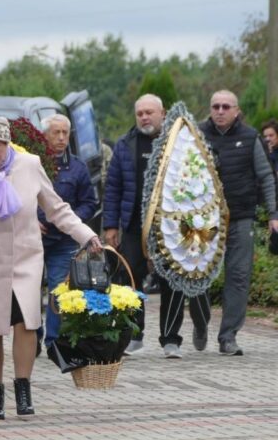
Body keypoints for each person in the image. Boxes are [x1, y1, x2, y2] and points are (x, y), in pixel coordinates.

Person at [0, 116, 101, 420]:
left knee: (27, 323)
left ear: (7, 142)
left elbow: (57, 208)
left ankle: (23, 388)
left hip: (25, 257)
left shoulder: (28, 164)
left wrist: (86, 235)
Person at [104, 94, 209, 358]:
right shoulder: (125, 144)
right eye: (139, 113)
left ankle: (171, 339)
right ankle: (134, 335)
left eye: (149, 112)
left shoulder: (179, 143)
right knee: (130, 279)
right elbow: (113, 187)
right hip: (132, 224)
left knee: (171, 282)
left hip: (172, 226)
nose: (144, 117)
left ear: (163, 113)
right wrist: (110, 226)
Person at [192, 90, 278, 355]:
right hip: (202, 220)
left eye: (225, 106)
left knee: (238, 277)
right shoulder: (196, 135)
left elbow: (265, 177)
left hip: (241, 217)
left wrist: (274, 215)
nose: (220, 110)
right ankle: (200, 323)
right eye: (215, 106)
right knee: (198, 276)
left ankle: (228, 336)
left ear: (236, 110)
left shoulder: (251, 137)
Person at [39, 114, 98, 346]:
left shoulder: (78, 167)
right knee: (30, 292)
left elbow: (89, 204)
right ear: (45, 135)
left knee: (58, 289)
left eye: (65, 133)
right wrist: (33, 220)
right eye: (56, 132)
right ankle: (32, 337)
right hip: (35, 238)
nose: (61, 137)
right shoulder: (33, 163)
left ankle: (53, 341)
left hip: (64, 241)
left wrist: (73, 221)